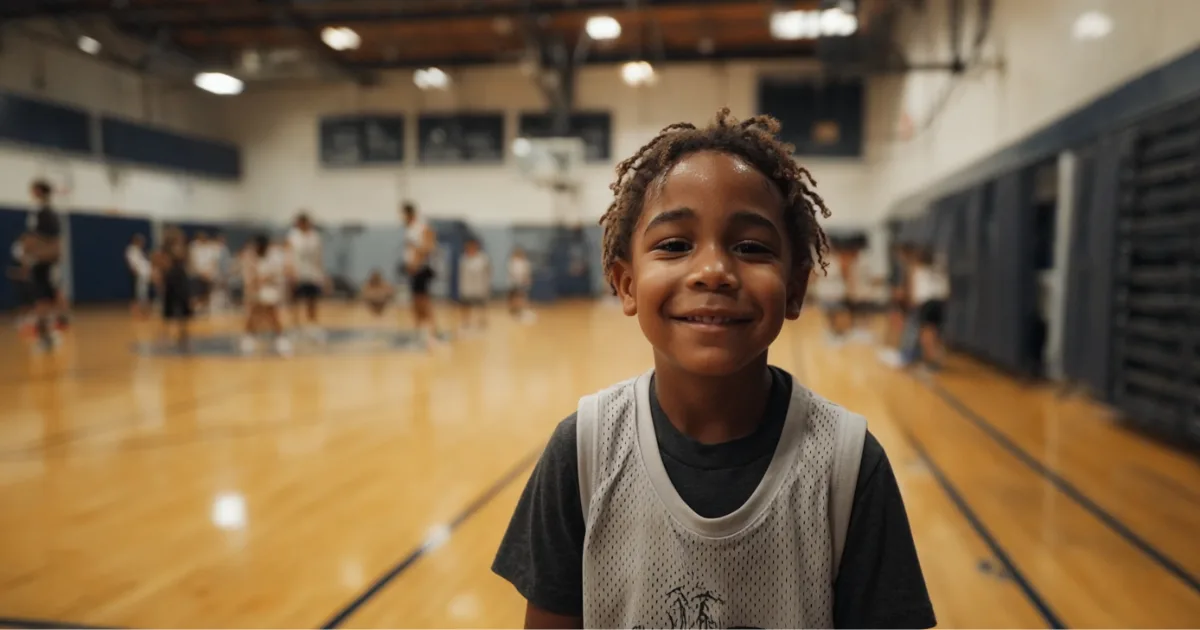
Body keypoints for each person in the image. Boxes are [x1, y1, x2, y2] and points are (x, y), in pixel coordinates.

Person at [492, 109, 935, 629]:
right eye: (675, 245)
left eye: (751, 247)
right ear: (626, 283)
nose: (713, 272)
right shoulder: (582, 452)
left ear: (795, 288)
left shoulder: (848, 466)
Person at [26, 179, 64, 351]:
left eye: (33, 190)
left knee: (43, 301)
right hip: (42, 263)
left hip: (44, 263)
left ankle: (45, 337)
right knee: (46, 301)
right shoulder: (42, 213)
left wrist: (37, 252)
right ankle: (47, 335)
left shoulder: (44, 214)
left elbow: (54, 244)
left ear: (39, 192)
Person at [241, 234, 292, 356]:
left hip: (270, 290)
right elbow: (249, 277)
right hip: (255, 290)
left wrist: (265, 279)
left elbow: (276, 274)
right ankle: (249, 339)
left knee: (273, 314)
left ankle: (281, 339)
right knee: (253, 313)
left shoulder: (274, 256)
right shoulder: (249, 256)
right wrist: (256, 283)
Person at [401, 201, 439, 346]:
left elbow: (429, 245)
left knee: (424, 301)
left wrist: (417, 262)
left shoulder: (420, 226)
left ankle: (432, 332)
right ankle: (420, 332)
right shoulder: (409, 229)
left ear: (409, 214)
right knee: (416, 302)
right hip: (413, 269)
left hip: (422, 268)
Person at [287, 212, 326, 340]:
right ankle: (295, 327)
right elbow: (289, 255)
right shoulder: (293, 236)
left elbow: (319, 257)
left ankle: (312, 327)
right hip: (298, 273)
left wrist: (321, 275)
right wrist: (291, 272)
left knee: (312, 301)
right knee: (295, 302)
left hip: (312, 274)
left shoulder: (315, 237)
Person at [152, 227, 192, 350]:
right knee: (168, 311)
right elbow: (159, 265)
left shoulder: (184, 249)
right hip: (170, 280)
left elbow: (187, 262)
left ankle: (183, 336)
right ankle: (164, 337)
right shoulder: (164, 252)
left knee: (183, 310)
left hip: (181, 279)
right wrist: (159, 280)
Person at [909, 246, 949, 370]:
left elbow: (915, 294)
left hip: (927, 303)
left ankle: (930, 361)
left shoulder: (918, 270)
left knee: (927, 333)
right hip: (940, 302)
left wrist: (913, 303)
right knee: (936, 332)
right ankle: (936, 359)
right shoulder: (940, 266)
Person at [457, 237, 491, 330]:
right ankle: (466, 323)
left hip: (480, 287)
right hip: (467, 287)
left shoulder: (483, 258)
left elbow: (488, 271)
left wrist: (486, 285)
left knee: (481, 306)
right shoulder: (463, 258)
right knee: (466, 305)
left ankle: (481, 323)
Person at [7, 232, 36, 337]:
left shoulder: (31, 253)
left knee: (31, 301)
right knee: (25, 301)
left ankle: (27, 320)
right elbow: (23, 270)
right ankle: (22, 321)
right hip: (24, 281)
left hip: (28, 280)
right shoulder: (18, 250)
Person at [188, 231, 220, 313]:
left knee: (206, 294)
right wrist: (200, 273)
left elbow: (213, 263)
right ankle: (195, 309)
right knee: (196, 295)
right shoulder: (193, 248)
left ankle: (205, 309)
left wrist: (208, 272)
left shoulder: (209, 249)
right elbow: (192, 263)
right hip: (197, 275)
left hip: (208, 275)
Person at [126, 234, 152, 319]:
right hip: (137, 275)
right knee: (136, 294)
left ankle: (143, 311)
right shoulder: (131, 250)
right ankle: (136, 312)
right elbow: (132, 263)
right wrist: (135, 272)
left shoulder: (139, 251)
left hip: (143, 275)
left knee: (142, 294)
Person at [507, 246, 534, 321]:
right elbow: (511, 273)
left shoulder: (525, 263)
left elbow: (527, 273)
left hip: (522, 283)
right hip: (514, 283)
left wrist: (526, 280)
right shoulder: (512, 262)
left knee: (522, 297)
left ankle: (521, 310)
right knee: (514, 297)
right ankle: (514, 310)